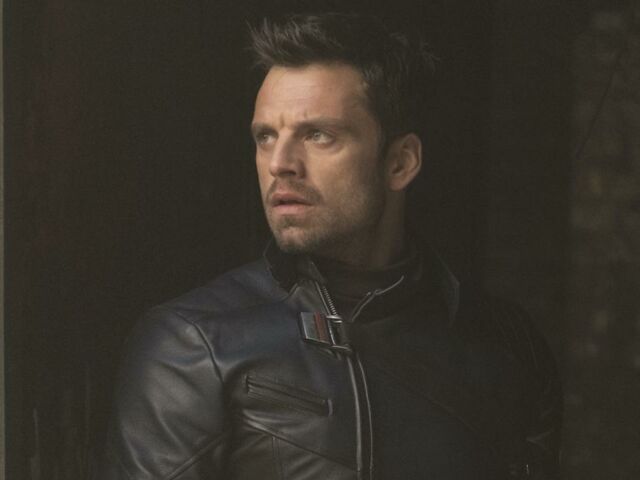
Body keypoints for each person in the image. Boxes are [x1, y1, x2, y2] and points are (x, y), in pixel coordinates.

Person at [100, 13, 562, 480]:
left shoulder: (509, 345)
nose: (280, 163)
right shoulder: (192, 346)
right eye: (266, 136)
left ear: (400, 163)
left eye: (318, 135)